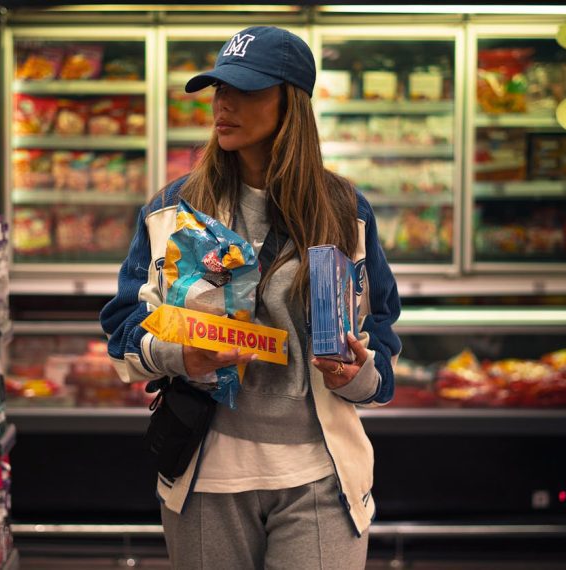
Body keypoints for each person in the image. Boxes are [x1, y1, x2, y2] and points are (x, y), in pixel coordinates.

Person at [100, 26, 402, 569]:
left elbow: (380, 329)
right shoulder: (173, 209)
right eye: (218, 89)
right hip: (206, 474)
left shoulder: (345, 211)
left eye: (248, 90)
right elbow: (125, 324)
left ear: (292, 105)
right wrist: (179, 356)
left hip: (321, 476)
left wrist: (358, 375)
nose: (225, 105)